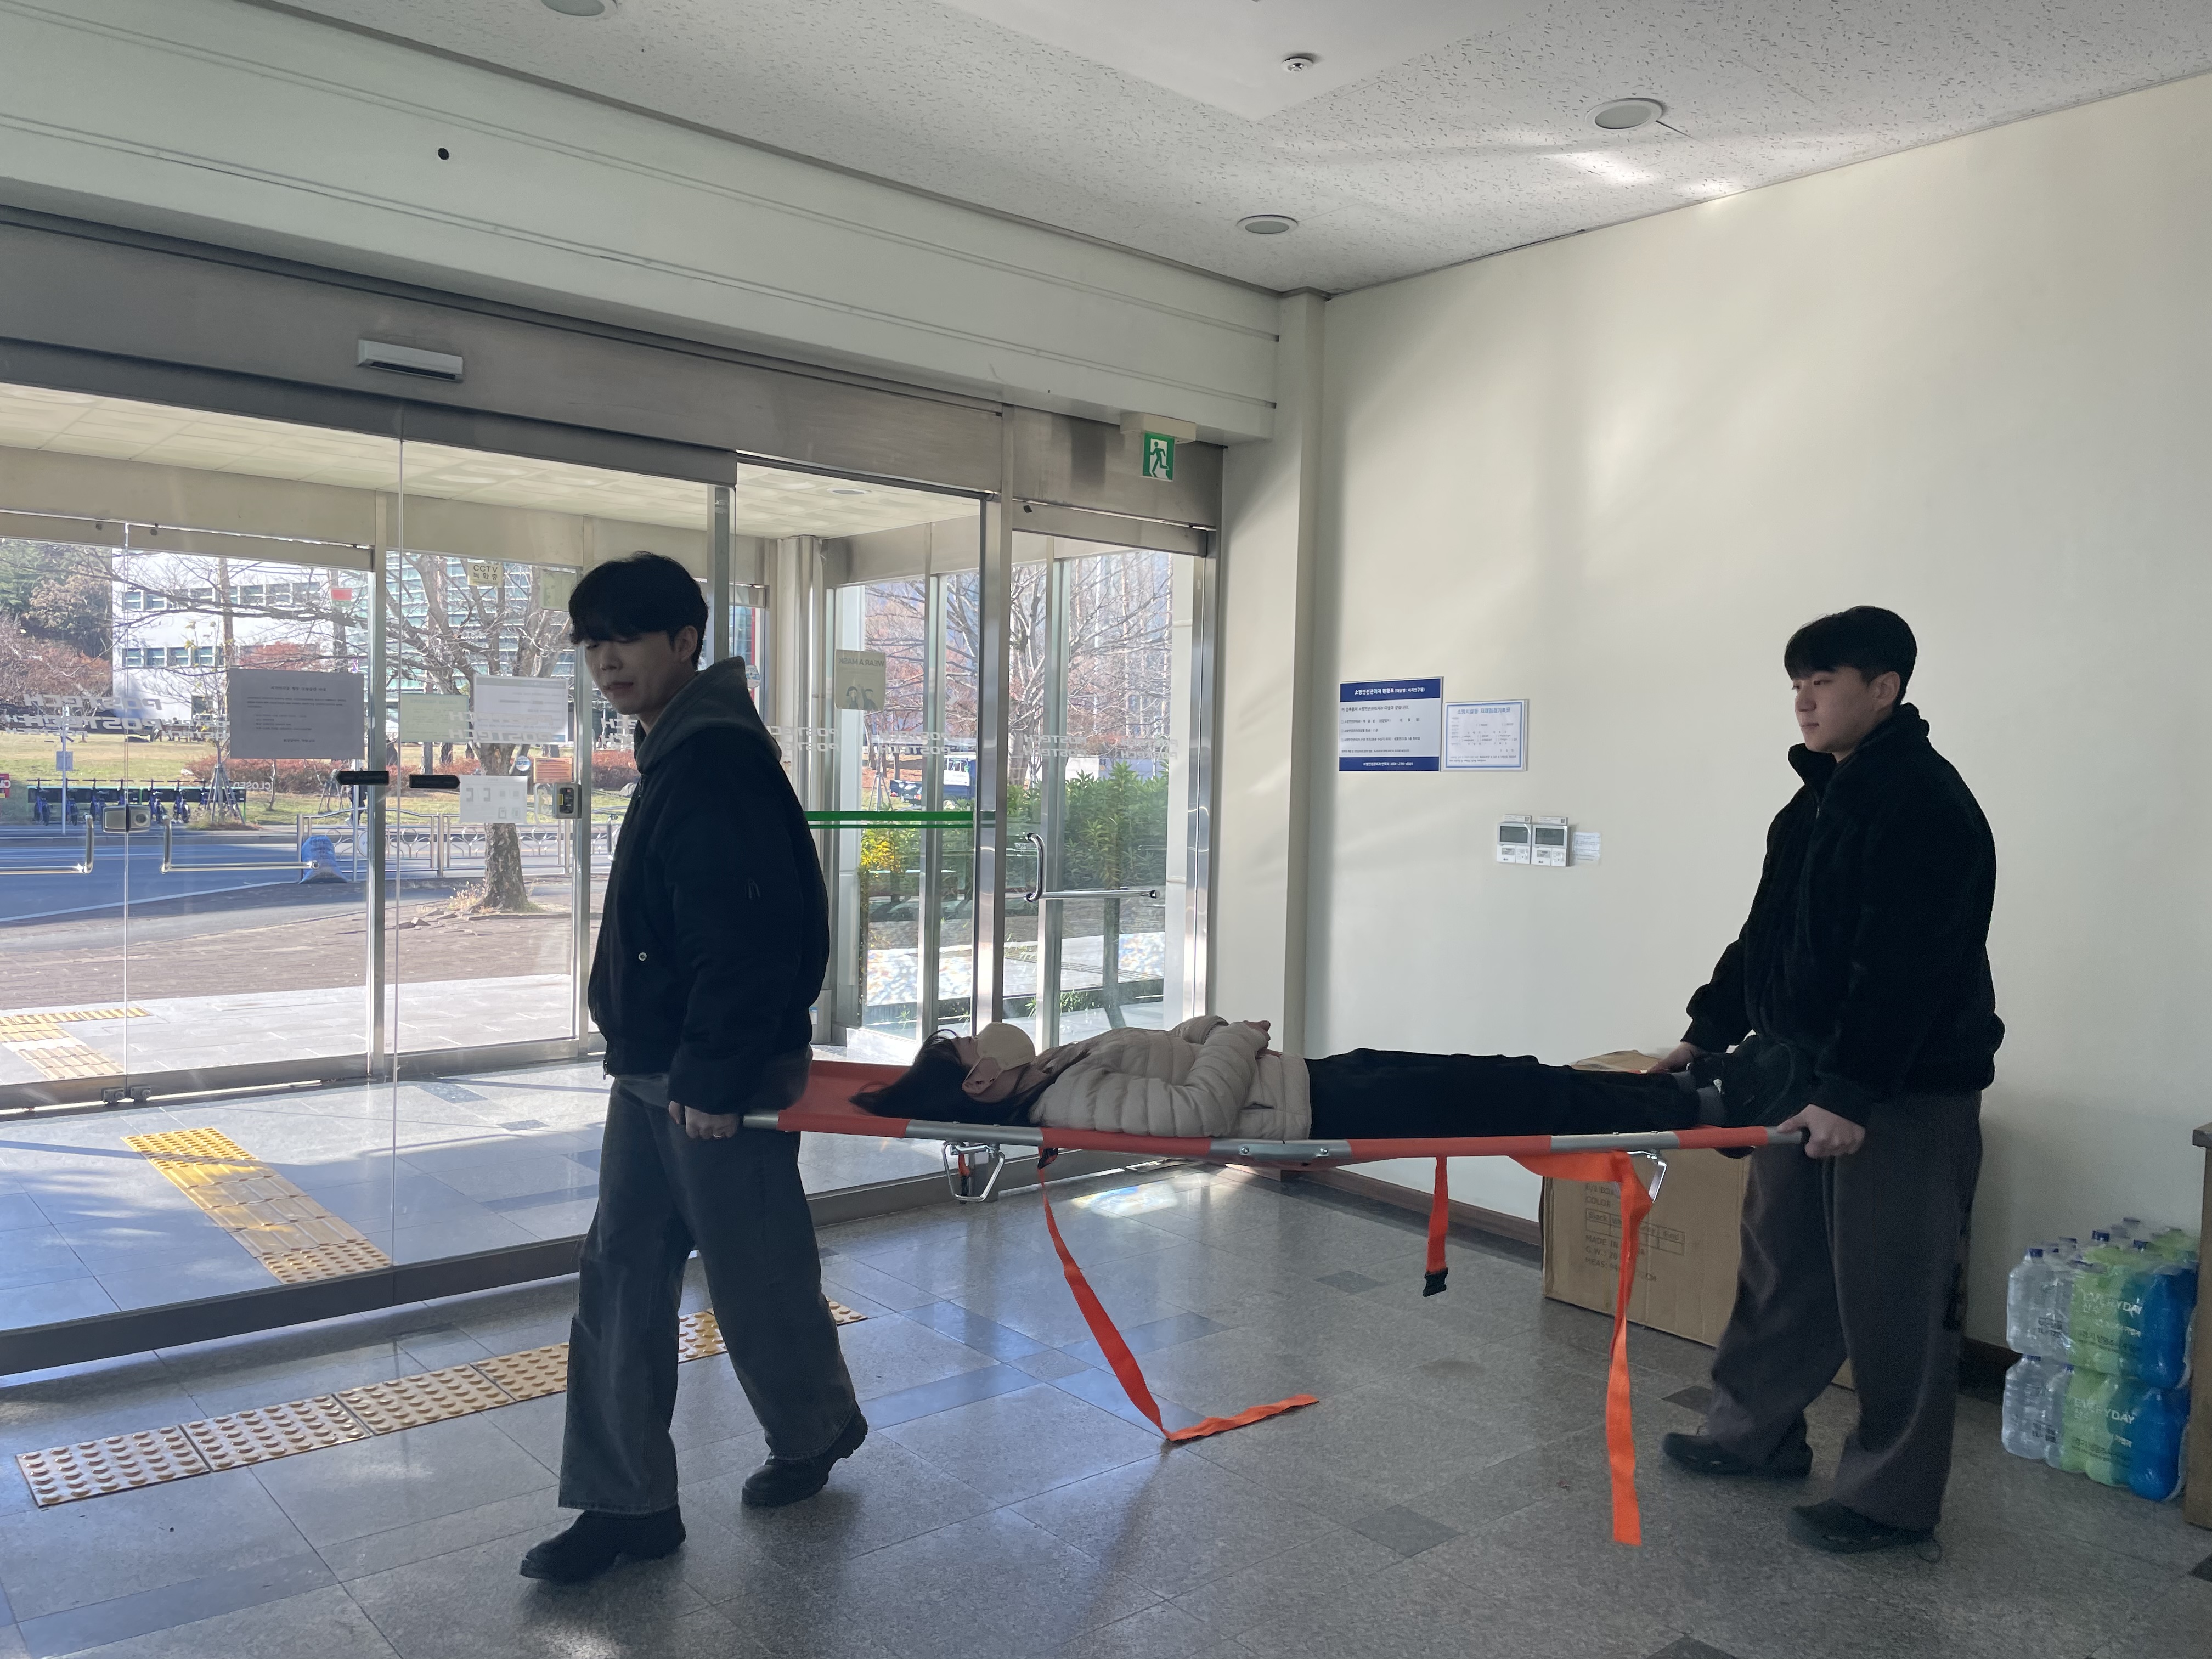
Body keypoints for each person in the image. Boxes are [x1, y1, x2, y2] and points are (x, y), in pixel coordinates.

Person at [521, 554, 864, 1585]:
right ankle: (626, 1504)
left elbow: (748, 938)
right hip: (655, 1071)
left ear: (686, 641)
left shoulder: (715, 758)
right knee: (622, 1276)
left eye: (627, 637)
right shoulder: (676, 746)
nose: (607, 659)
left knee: (755, 1273)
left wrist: (713, 1079)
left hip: (713, 1076)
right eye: (592, 642)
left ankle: (815, 1428)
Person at [1650, 606, 2001, 1555]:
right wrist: (1706, 1030)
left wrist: (1851, 1091)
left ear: (1885, 689)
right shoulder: (1810, 806)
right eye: (1796, 684)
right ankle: (1753, 1435)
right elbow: (1764, 936)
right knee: (1783, 1269)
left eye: (1824, 682)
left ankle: (1889, 1499)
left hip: (1898, 1098)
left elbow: (1908, 970)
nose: (1804, 701)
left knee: (1896, 1295)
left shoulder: (1925, 804)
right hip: (1802, 1081)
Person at [852, 1016, 1759, 1142]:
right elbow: (1199, 1112)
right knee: (1515, 1099)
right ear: (980, 1089)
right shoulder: (1069, 1098)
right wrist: (1233, 1039)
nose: (990, 1042)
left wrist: (1211, 1031)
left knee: (1507, 1077)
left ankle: (1674, 1091)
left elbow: (1172, 1052)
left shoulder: (1054, 1067)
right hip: (1316, 1105)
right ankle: (1692, 1108)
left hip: (1311, 1078)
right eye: (972, 1055)